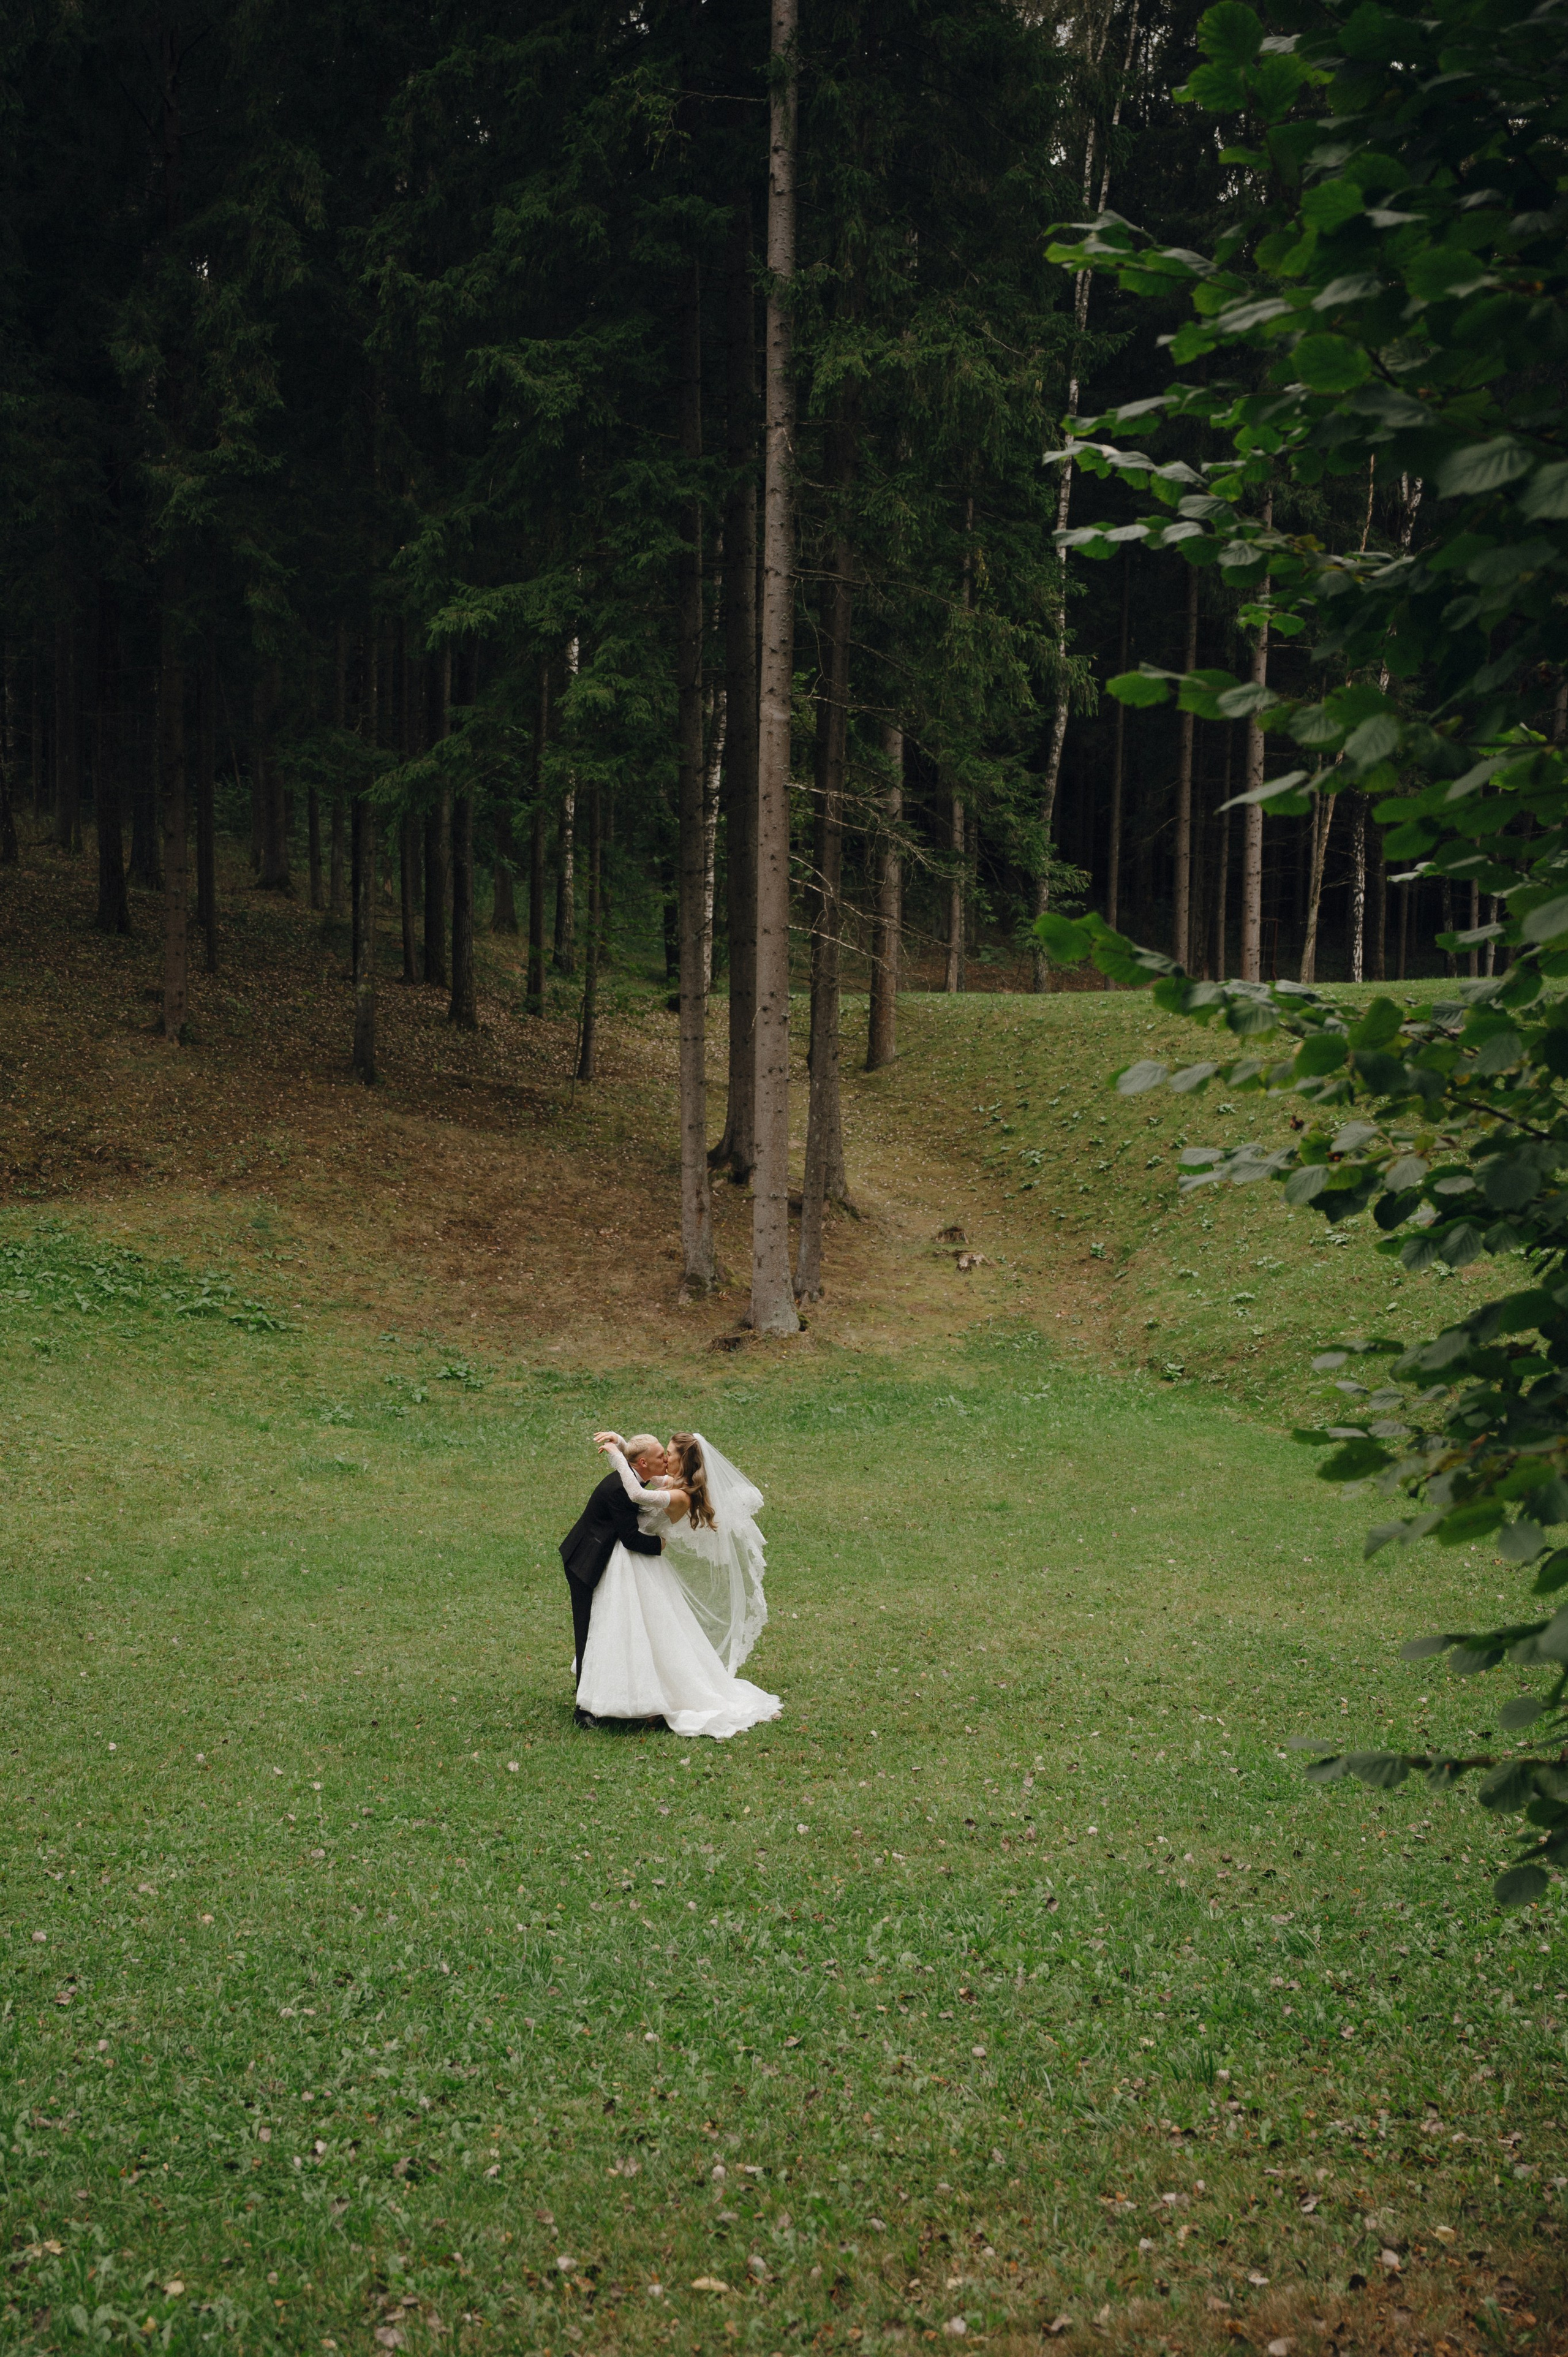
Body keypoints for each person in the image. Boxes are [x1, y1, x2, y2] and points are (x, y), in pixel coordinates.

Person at [575, 1429, 781, 1740]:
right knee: (633, 1628)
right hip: (631, 1560)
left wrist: (617, 1458)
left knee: (651, 1629)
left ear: (683, 1461)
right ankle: (631, 1692)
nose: (666, 1458)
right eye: (664, 1453)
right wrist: (622, 1445)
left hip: (640, 1560)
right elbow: (640, 1470)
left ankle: (650, 1696)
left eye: (669, 1453)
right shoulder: (673, 1483)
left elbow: (638, 1494)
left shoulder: (681, 1494)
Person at [558, 1432, 668, 1727]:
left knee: (602, 1629)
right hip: (585, 1561)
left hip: (597, 1555)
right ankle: (583, 1710)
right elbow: (631, 1539)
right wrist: (660, 1545)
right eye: (661, 1456)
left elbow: (640, 1465)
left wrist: (620, 1443)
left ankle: (601, 1689)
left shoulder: (633, 1476)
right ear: (643, 1463)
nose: (666, 1459)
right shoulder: (621, 1489)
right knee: (587, 1631)